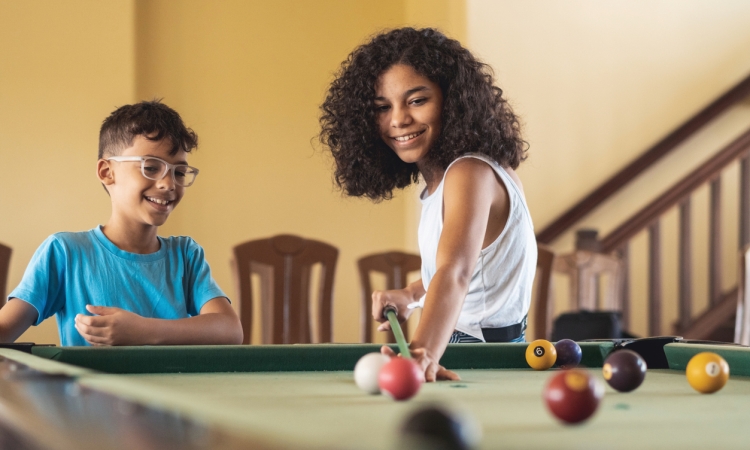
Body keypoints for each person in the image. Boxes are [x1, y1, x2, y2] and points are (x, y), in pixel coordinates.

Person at [320, 28, 536, 381]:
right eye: (382, 107)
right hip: (468, 345)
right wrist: (410, 293)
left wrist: (422, 355)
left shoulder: (470, 172)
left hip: (474, 352)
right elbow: (478, 268)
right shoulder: (450, 176)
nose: (398, 119)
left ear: (453, 100)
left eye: (417, 100)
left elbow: (456, 271)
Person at [1, 100, 243, 346]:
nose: (169, 184)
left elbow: (230, 330)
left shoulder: (186, 255)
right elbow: (5, 328)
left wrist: (144, 331)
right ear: (107, 172)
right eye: (151, 167)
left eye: (179, 172)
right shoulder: (65, 252)